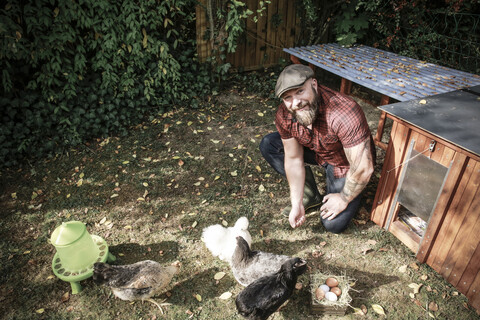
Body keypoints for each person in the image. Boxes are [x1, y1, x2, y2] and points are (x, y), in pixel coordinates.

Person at [260, 64, 376, 233]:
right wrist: (296, 203)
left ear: (314, 84)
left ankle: (346, 192)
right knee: (269, 144)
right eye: (287, 97)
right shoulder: (284, 114)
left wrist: (343, 198)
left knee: (333, 224)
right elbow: (293, 159)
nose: (296, 103)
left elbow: (363, 168)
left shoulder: (343, 111)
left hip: (344, 164)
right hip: (318, 151)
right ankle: (310, 195)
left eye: (300, 91)